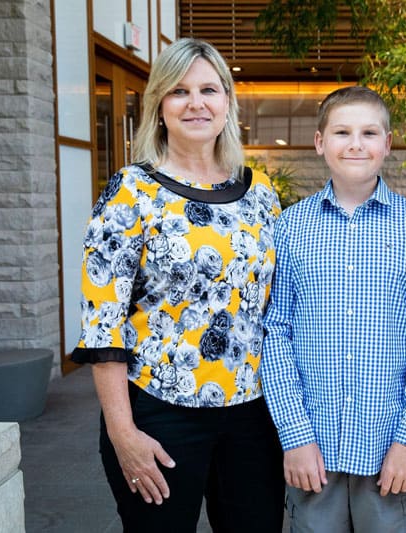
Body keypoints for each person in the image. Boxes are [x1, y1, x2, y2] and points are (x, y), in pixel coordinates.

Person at [71, 38, 284, 532]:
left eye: (209, 89)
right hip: (160, 413)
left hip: (253, 416)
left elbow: (277, 305)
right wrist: (124, 434)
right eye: (179, 91)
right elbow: (103, 326)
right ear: (159, 106)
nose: (196, 103)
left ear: (227, 103)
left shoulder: (261, 193)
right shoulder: (131, 190)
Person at [260, 86, 406, 532]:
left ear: (387, 144)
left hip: (388, 452)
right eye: (342, 132)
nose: (356, 143)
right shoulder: (290, 227)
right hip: (313, 453)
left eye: (369, 132)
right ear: (320, 142)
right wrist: (295, 435)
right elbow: (276, 332)